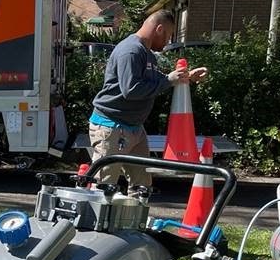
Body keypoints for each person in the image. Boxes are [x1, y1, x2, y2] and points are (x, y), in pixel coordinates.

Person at [88, 11, 207, 186]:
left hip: (134, 129)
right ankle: (95, 214)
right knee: (104, 186)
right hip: (111, 128)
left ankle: (134, 213)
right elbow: (131, 90)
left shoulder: (147, 54)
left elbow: (155, 79)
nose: (167, 43)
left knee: (142, 186)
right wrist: (168, 81)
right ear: (159, 29)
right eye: (168, 36)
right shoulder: (131, 51)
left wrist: (185, 77)